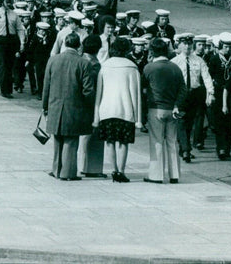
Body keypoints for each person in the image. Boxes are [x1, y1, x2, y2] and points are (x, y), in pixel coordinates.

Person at [42, 32, 96, 181]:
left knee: (58, 139)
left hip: (55, 106)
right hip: (75, 107)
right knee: (71, 140)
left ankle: (56, 169)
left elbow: (46, 86)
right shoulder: (83, 63)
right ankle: (68, 172)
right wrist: (89, 105)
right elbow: (88, 90)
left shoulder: (53, 60)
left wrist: (45, 106)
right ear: (79, 45)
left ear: (65, 44)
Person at [94, 37, 142, 183]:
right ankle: (121, 171)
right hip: (125, 110)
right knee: (122, 142)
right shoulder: (132, 67)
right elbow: (136, 94)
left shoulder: (105, 66)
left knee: (109, 141)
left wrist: (96, 116)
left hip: (106, 109)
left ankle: (113, 170)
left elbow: (99, 93)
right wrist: (138, 118)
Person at [142, 38, 188, 183]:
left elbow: (143, 89)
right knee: (172, 142)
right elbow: (183, 89)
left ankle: (156, 175)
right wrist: (176, 105)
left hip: (155, 108)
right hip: (172, 109)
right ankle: (174, 175)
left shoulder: (149, 68)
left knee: (157, 141)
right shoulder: (175, 67)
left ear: (152, 52)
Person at [171, 34, 214, 163]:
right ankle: (186, 150)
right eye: (184, 44)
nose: (187, 47)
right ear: (179, 45)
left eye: (189, 44)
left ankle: (183, 147)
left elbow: (206, 77)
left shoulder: (198, 60)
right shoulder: (175, 62)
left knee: (189, 123)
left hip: (195, 93)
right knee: (181, 121)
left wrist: (210, 93)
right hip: (181, 94)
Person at [78, 35, 107, 178]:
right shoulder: (94, 64)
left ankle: (81, 164)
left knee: (83, 136)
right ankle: (92, 168)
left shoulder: (79, 60)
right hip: (91, 102)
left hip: (78, 103)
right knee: (93, 136)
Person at [0, 0, 26, 98]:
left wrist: (22, 42)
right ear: (2, 2)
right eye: (7, 1)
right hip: (0, 42)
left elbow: (20, 29)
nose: (9, 3)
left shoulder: (14, 15)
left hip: (11, 42)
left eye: (10, 1)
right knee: (3, 65)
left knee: (10, 66)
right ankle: (4, 90)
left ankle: (9, 90)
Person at [208, 32, 231, 161]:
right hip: (219, 93)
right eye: (225, 47)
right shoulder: (214, 59)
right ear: (220, 46)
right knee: (219, 122)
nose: (228, 49)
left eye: (230, 47)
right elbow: (210, 76)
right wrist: (211, 93)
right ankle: (221, 148)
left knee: (230, 123)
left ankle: (228, 147)